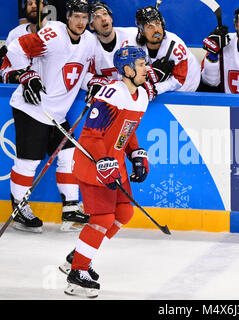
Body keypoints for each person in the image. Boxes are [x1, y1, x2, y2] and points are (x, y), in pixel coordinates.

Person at [4, 0, 103, 233]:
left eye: (84, 17)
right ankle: (19, 210)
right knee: (29, 161)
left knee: (69, 155)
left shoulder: (89, 41)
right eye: (76, 16)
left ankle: (70, 209)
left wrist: (93, 83)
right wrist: (26, 75)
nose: (80, 22)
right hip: (32, 107)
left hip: (57, 113)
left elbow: (80, 72)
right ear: (67, 17)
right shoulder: (53, 33)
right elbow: (16, 49)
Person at [62, 46, 150, 298]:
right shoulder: (111, 94)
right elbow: (91, 134)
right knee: (101, 219)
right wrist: (104, 161)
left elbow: (127, 129)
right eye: (141, 64)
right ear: (127, 69)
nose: (146, 69)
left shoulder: (141, 95)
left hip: (115, 164)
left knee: (124, 212)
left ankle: (79, 254)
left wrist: (135, 153)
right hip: (93, 164)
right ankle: (77, 273)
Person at [135, 5, 201, 96]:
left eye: (158, 24)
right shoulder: (134, 45)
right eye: (150, 26)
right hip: (159, 88)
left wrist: (154, 88)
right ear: (142, 31)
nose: (156, 30)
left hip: (188, 85)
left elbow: (179, 80)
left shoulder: (175, 45)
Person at [1, 0, 48, 83]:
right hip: (22, 89)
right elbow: (5, 68)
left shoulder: (57, 31)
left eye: (37, 3)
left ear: (45, 7)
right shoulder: (15, 34)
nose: (33, 6)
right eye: (30, 4)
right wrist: (18, 77)